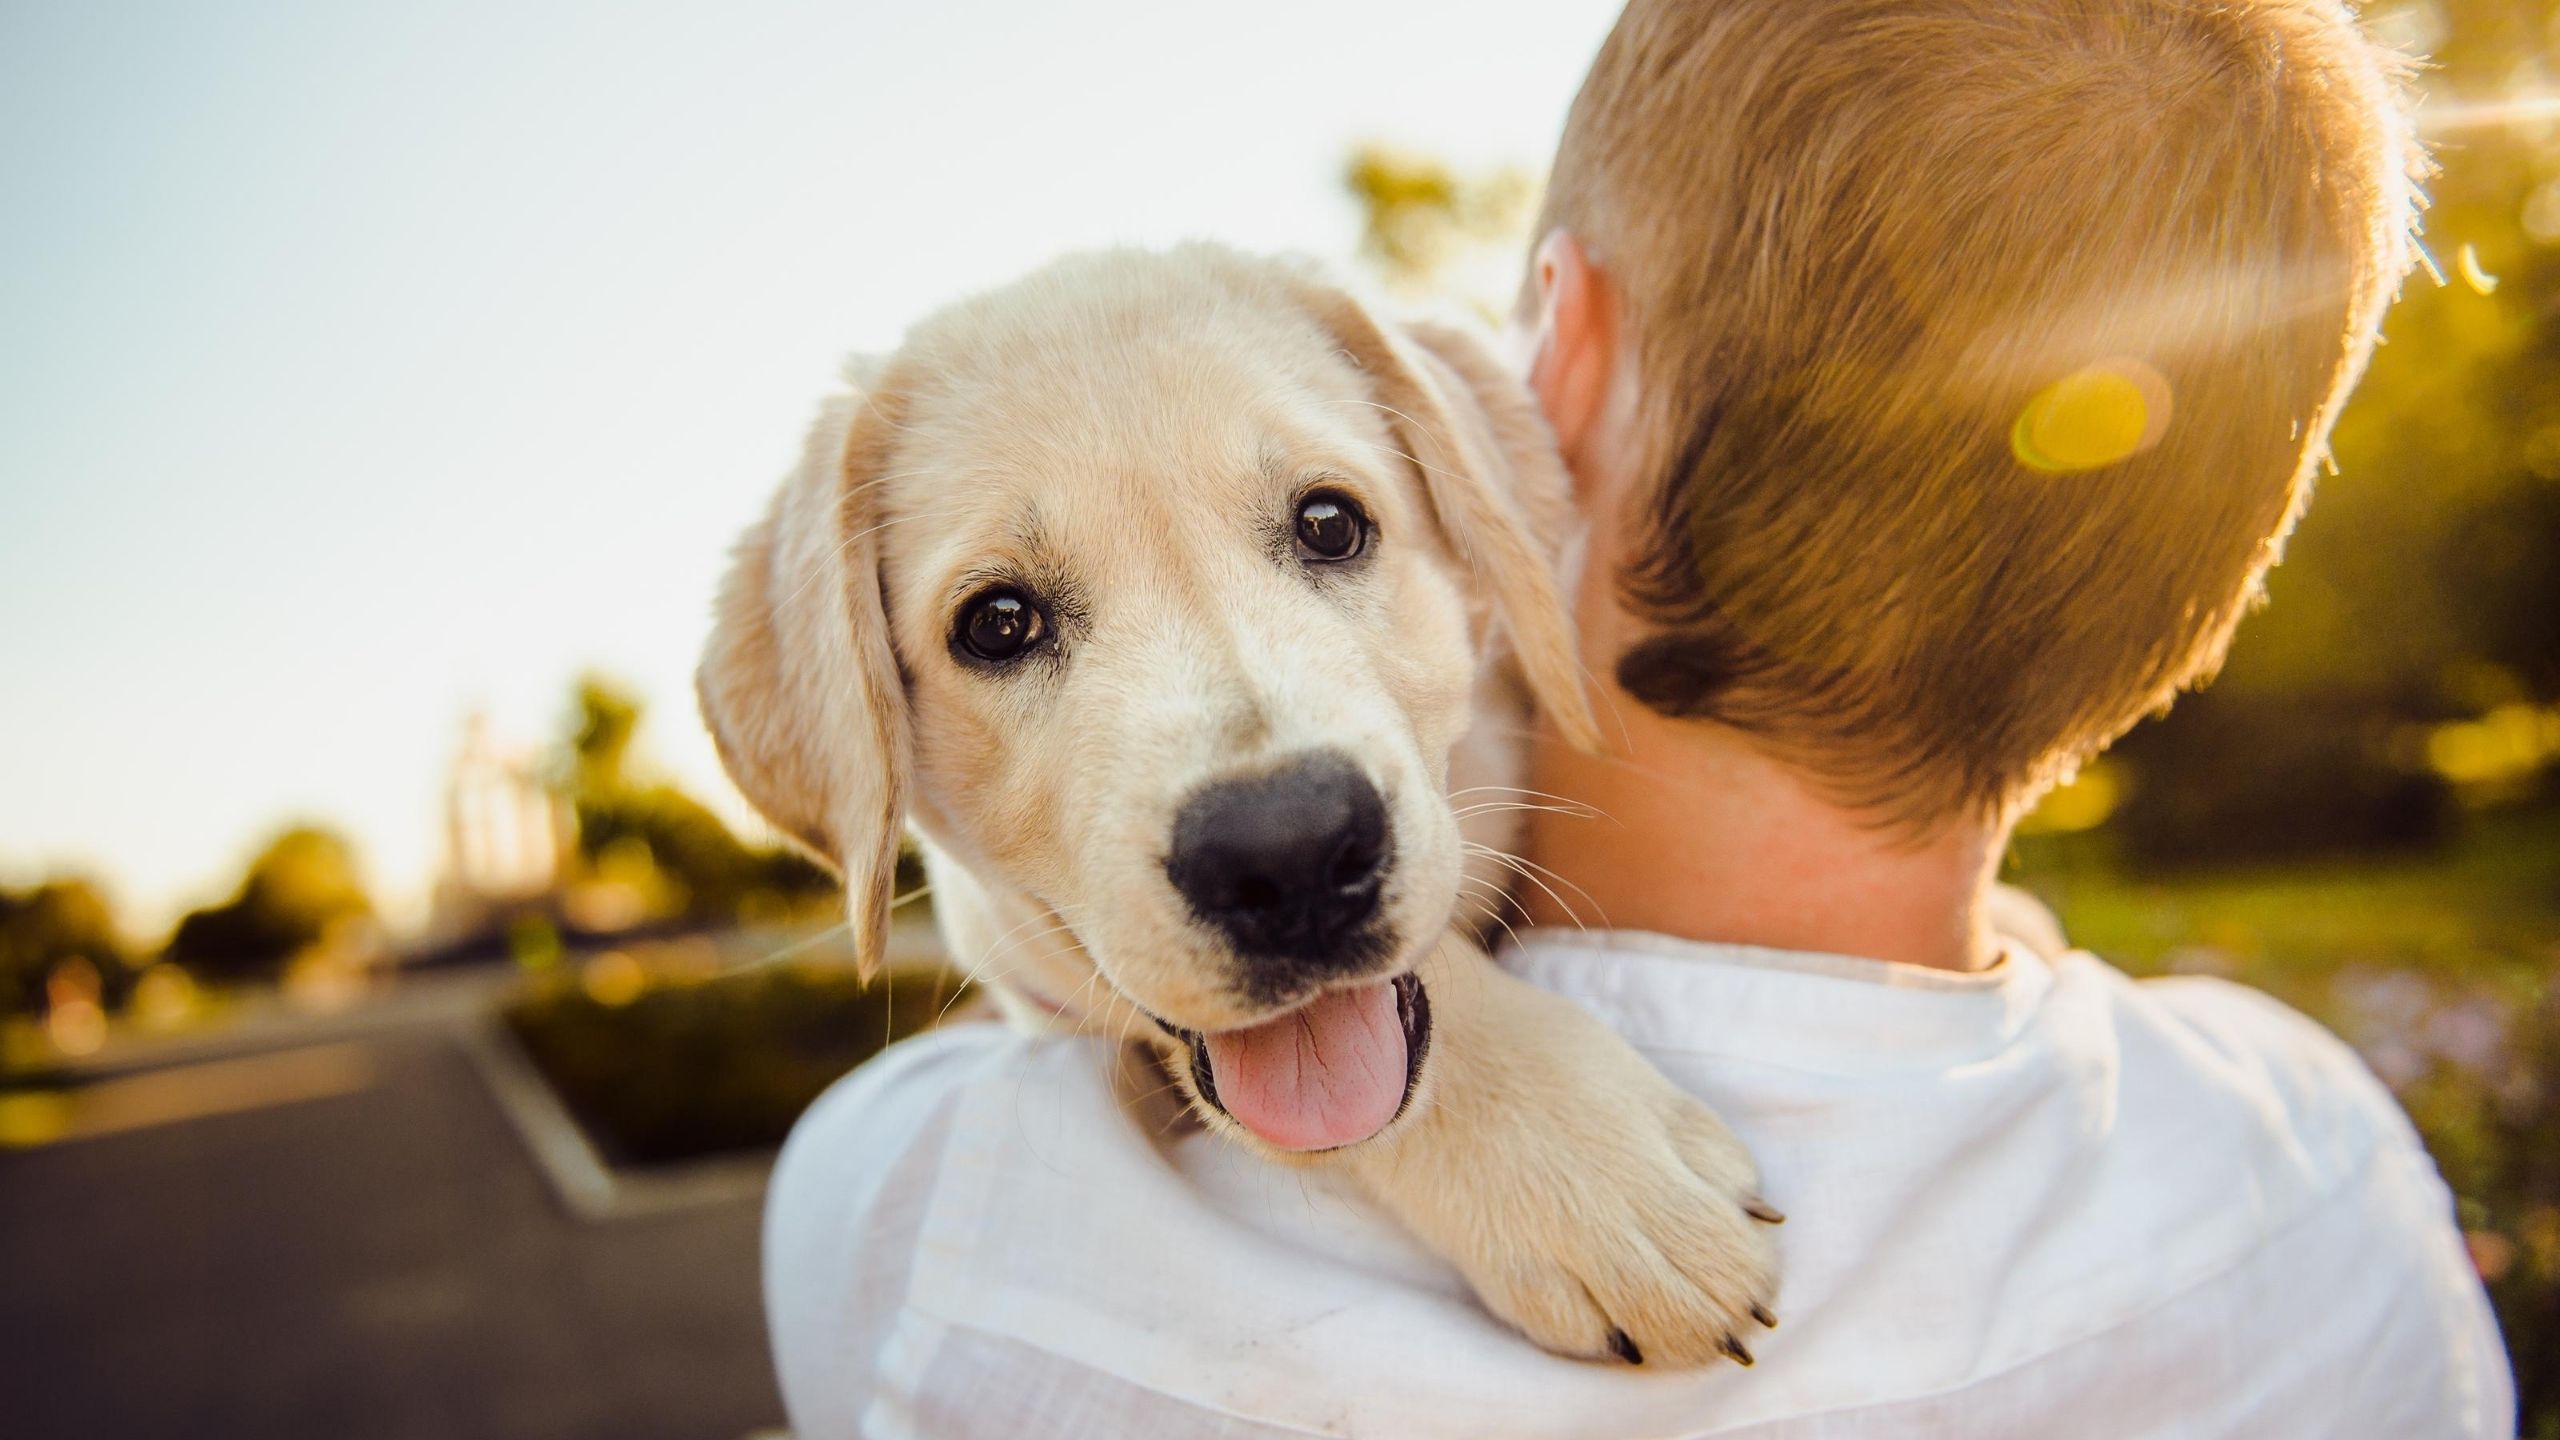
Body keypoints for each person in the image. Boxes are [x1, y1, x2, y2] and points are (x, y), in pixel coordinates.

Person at [762, 1, 2516, 1434]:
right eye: (1007, 624)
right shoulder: (2330, 1170)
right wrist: (1458, 1074)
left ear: (1551, 383)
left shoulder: (924, 1233)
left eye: (1325, 529)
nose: (1268, 786)